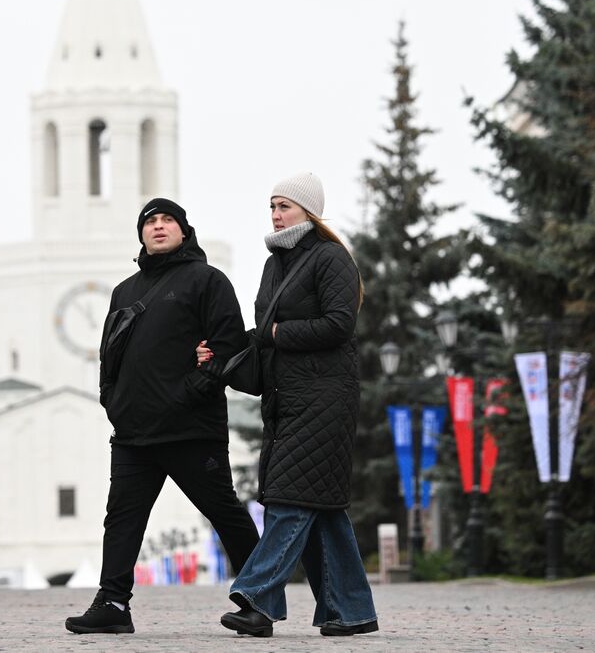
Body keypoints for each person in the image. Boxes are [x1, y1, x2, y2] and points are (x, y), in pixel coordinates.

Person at [65, 198, 260, 635]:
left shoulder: (207, 281)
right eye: (150, 221)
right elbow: (108, 356)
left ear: (184, 230)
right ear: (141, 234)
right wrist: (111, 399)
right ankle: (112, 604)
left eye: (167, 219)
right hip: (134, 433)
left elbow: (228, 347)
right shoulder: (124, 291)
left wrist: (190, 392)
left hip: (191, 428)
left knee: (224, 511)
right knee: (121, 519)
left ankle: (258, 599)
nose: (158, 227)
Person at [198, 172, 378, 638]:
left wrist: (277, 335)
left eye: (285, 206)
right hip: (286, 399)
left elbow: (339, 324)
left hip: (325, 398)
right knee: (321, 505)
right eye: (272, 206)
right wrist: (221, 357)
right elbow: (261, 341)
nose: (276, 214)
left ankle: (257, 600)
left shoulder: (331, 258)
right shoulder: (274, 263)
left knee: (289, 499)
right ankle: (351, 611)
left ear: (309, 211)